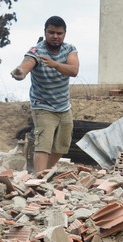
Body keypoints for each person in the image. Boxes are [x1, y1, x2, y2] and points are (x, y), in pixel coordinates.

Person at [11, 15, 80, 172]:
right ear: (45, 32)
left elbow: (74, 70)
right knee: (43, 145)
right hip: (42, 106)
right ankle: (38, 181)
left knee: (61, 146)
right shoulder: (37, 51)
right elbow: (27, 64)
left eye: (59, 33)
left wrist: (54, 64)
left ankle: (40, 175)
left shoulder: (70, 49)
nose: (55, 36)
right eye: (51, 32)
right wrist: (20, 72)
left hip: (63, 106)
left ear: (64, 34)